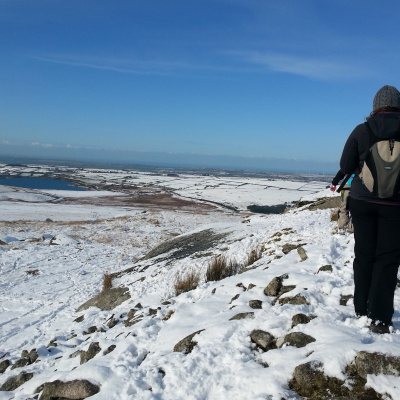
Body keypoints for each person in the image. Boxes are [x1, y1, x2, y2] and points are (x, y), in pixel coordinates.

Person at [339, 85, 400, 334]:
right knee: (387, 259)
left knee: (364, 254)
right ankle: (380, 318)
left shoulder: (362, 130)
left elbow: (346, 165)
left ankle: (361, 308)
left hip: (363, 202)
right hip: (396, 206)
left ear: (375, 107)